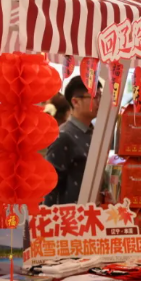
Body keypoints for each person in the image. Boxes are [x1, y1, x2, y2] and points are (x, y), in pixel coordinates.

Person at [44, 76, 102, 206]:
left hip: (90, 213)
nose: (99, 102)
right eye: (95, 97)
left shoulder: (94, 133)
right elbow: (49, 185)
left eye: (100, 96)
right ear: (75, 102)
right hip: (70, 215)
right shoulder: (64, 136)